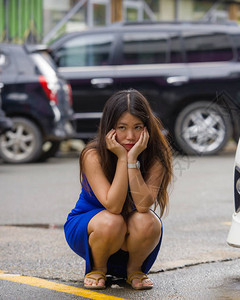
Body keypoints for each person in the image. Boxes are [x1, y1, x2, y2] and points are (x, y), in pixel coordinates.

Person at [64, 89, 173, 290]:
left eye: (137, 127)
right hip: (91, 228)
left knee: (149, 221)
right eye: (122, 127)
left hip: (130, 230)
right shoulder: (93, 155)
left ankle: (134, 269)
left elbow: (142, 205)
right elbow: (113, 206)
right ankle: (97, 268)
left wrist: (132, 161)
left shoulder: (156, 156)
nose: (130, 136)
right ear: (110, 128)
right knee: (111, 221)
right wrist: (122, 158)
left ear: (147, 128)